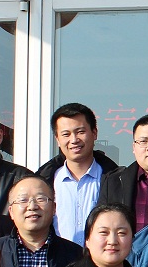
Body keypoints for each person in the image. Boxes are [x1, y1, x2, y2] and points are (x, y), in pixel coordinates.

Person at [37, 102, 118, 246]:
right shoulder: (45, 181)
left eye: (80, 132)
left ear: (94, 133)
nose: (74, 140)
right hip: (58, 259)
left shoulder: (115, 179)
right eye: (66, 134)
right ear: (57, 139)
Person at [0, 175, 80, 267]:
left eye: (41, 199)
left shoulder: (75, 255)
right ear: (11, 212)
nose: (32, 206)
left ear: (54, 208)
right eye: (23, 200)